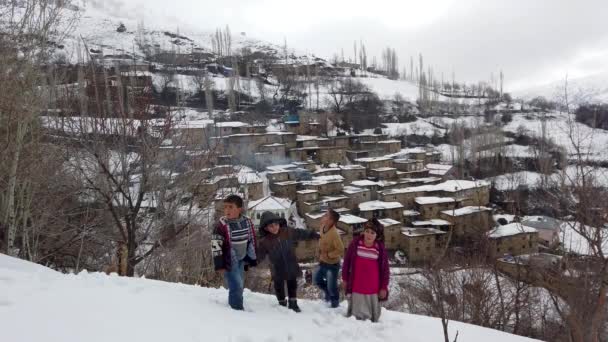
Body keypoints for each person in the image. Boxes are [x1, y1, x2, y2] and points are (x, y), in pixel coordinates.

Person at [257, 211, 319, 312]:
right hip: (277, 267)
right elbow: (259, 255)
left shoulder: (287, 232)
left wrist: (312, 234)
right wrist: (252, 262)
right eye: (271, 226)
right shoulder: (265, 241)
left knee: (292, 284)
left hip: (291, 264)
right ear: (266, 228)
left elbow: (300, 233)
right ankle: (281, 302)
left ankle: (293, 303)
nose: (274, 227)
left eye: (276, 224)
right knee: (279, 286)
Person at [211, 195, 257, 311]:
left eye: (231, 207)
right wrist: (219, 264)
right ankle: (236, 310)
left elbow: (251, 240)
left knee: (240, 283)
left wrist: (251, 258)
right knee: (236, 285)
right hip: (229, 261)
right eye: (225, 207)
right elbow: (216, 246)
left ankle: (237, 303)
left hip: (241, 259)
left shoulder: (247, 222)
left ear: (240, 209)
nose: (227, 210)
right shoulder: (221, 226)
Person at [341, 218, 390, 322]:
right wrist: (345, 278)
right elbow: (347, 262)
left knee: (370, 320)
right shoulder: (355, 244)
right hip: (357, 285)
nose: (369, 235)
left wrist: (383, 287)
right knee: (356, 319)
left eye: (372, 233)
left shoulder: (379, 248)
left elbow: (385, 269)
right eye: (367, 231)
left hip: (372, 288)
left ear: (377, 235)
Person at [314, 209, 344, 308]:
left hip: (332, 264)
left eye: (326, 215)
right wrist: (319, 251)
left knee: (332, 286)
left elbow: (340, 250)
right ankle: (327, 292)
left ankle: (335, 305)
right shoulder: (322, 227)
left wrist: (328, 255)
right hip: (323, 261)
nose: (323, 216)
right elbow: (322, 240)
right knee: (316, 279)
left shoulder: (334, 234)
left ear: (331, 221)